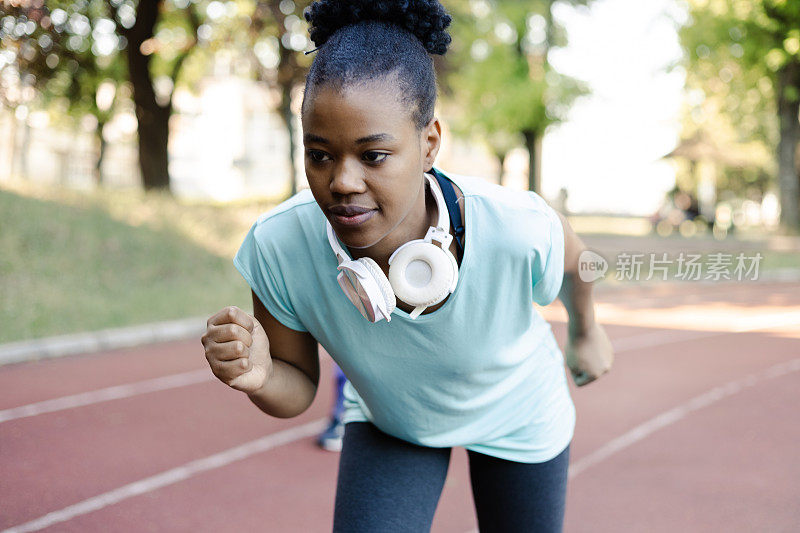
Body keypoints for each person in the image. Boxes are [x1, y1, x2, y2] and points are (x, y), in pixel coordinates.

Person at [200, 1, 614, 531]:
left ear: (429, 144)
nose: (342, 181)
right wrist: (259, 376)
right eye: (319, 154)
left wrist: (585, 333)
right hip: (394, 421)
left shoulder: (512, 224)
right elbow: (297, 387)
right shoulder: (279, 247)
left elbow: (579, 263)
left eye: (373, 156)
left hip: (521, 412)